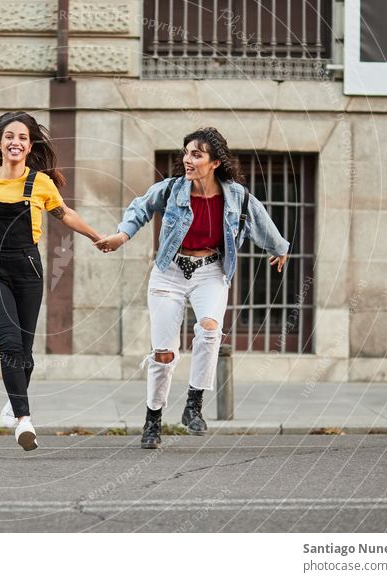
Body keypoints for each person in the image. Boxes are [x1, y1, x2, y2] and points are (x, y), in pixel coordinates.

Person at [95, 127, 289, 449]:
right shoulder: (172, 189)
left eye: (196, 154)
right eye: (186, 153)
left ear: (214, 162)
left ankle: (193, 404)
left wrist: (279, 247)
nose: (187, 159)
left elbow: (259, 218)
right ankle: (153, 420)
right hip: (169, 273)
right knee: (164, 353)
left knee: (210, 329)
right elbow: (141, 208)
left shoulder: (235, 196)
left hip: (210, 271)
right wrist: (122, 236)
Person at [0, 111, 102, 451]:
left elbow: (66, 214)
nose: (15, 142)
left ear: (29, 145)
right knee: (10, 343)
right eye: (9, 137)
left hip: (28, 270)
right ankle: (24, 420)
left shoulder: (40, 184)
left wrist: (96, 236)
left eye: (22, 137)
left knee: (25, 353)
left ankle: (11, 402)